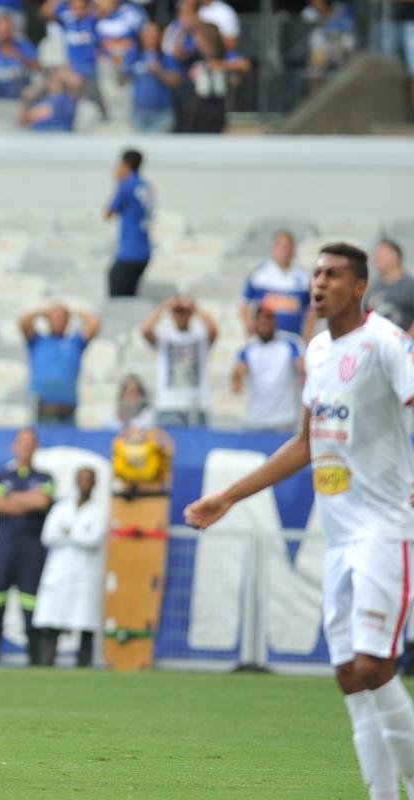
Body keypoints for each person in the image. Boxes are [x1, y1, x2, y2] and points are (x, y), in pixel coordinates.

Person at [184, 242, 414, 800]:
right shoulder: (316, 349)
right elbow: (307, 442)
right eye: (315, 274)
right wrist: (229, 497)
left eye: (333, 275)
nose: (319, 283)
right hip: (337, 535)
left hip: (384, 530)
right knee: (348, 675)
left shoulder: (386, 343)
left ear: (359, 286)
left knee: (373, 665)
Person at [0, 428, 54, 666]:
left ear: (36, 447)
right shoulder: (0, 475)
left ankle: (36, 663)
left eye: (30, 442)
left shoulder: (45, 477)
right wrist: (27, 500)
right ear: (14, 446)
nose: (26, 447)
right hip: (4, 545)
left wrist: (10, 497)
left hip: (32, 548)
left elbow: (42, 500)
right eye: (22, 442)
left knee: (31, 604)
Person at [32, 466, 107, 668]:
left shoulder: (100, 510)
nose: (85, 483)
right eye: (81, 478)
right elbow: (48, 536)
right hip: (60, 573)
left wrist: (69, 531)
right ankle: (46, 663)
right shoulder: (61, 508)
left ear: (95, 483)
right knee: (52, 620)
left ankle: (83, 665)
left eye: (89, 479)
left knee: (85, 623)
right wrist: (79, 533)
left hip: (85, 574)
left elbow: (93, 539)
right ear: (76, 481)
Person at [140, 294, 218, 427]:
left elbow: (213, 330)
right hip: (168, 404)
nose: (181, 315)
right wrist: (165, 306)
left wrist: (194, 307)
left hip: (197, 405)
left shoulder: (200, 337)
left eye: (185, 311)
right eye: (177, 311)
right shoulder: (165, 337)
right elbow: (146, 329)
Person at [21, 303, 100, 425]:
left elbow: (94, 323)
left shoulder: (75, 343)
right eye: (55, 317)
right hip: (42, 409)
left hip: (67, 409)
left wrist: (73, 311)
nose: (58, 320)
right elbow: (24, 321)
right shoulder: (38, 341)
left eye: (62, 318)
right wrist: (44, 311)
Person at [232, 306, 304, 434]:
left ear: (274, 322)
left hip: (284, 420)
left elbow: (301, 366)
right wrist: (237, 380)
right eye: (260, 320)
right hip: (255, 419)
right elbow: (238, 373)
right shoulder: (248, 349)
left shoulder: (290, 344)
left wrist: (303, 376)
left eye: (267, 319)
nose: (263, 323)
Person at [175, 21, 249, 134]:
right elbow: (178, 54)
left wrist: (219, 65)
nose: (195, 39)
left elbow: (244, 65)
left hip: (216, 110)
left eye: (197, 35)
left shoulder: (222, 54)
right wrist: (183, 31)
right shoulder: (195, 55)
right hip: (193, 110)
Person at [240, 230, 313, 341]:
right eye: (281, 246)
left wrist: (307, 334)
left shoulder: (304, 278)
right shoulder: (259, 275)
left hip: (293, 338)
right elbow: (244, 303)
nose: (284, 251)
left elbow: (311, 309)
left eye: (287, 247)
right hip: (266, 340)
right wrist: (250, 328)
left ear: (293, 250)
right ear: (273, 248)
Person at [105, 148, 153, 297]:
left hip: (129, 250)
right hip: (144, 249)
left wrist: (117, 182)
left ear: (125, 165)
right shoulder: (145, 185)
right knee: (129, 295)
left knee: (118, 296)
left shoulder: (126, 185)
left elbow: (108, 213)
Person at [40, 0, 101, 109]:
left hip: (89, 70)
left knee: (68, 82)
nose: (77, 11)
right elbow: (46, 12)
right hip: (71, 68)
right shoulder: (68, 21)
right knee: (54, 83)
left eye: (81, 7)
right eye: (74, 8)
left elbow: (105, 7)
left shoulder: (93, 21)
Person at [124, 20, 182, 132]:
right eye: (147, 35)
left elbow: (176, 82)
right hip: (138, 113)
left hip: (161, 113)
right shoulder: (134, 56)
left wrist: (159, 71)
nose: (150, 39)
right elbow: (123, 80)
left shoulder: (166, 57)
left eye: (153, 36)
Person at [364, 239, 414, 335]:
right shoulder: (374, 287)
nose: (377, 257)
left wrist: (408, 339)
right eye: (376, 253)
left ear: (395, 256)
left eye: (381, 253)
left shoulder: (410, 285)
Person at [20, 66, 79, 131]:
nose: (53, 84)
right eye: (51, 80)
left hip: (57, 134)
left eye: (56, 81)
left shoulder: (65, 99)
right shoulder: (42, 98)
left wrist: (31, 114)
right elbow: (22, 119)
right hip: (38, 134)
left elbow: (44, 113)